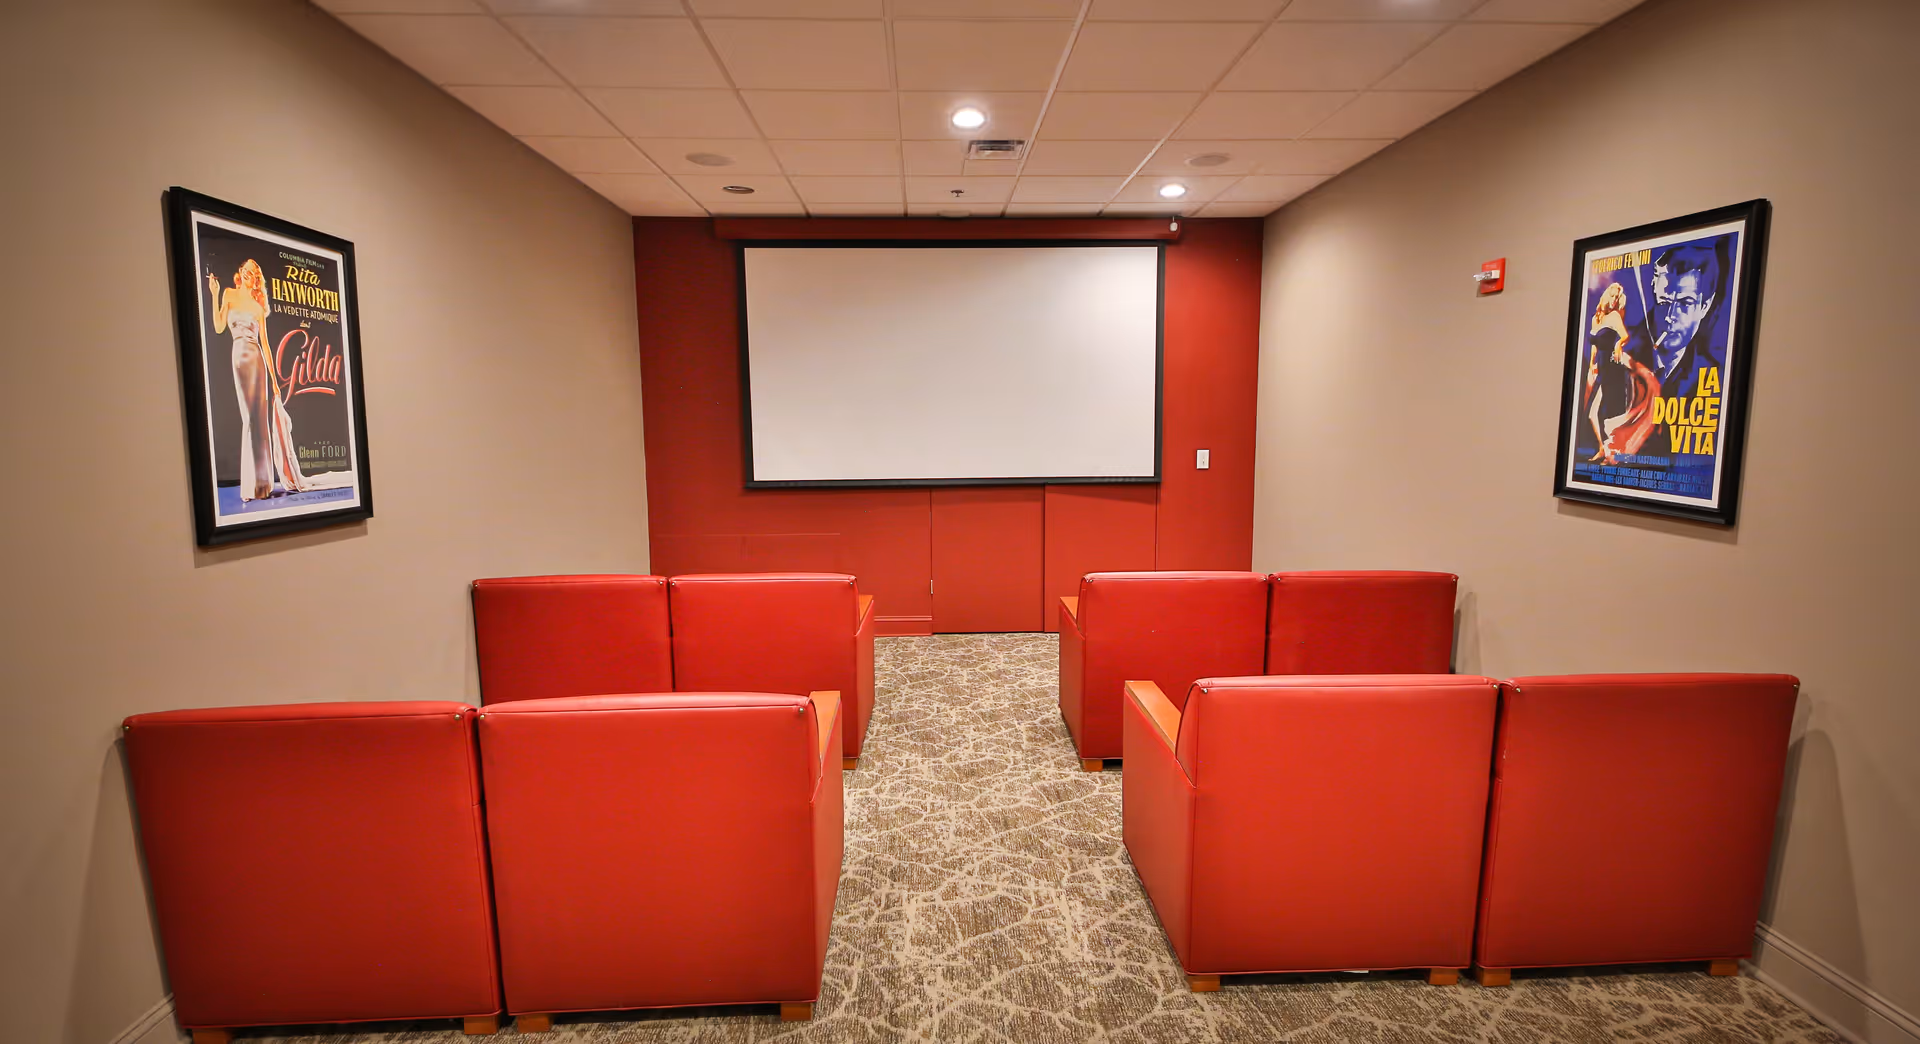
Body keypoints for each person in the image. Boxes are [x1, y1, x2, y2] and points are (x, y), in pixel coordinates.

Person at [207, 259, 346, 500]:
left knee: (259, 420)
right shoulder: (228, 294)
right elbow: (219, 327)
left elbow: (266, 345)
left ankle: (262, 485)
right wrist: (214, 294)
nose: (249, 276)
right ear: (240, 272)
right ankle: (253, 484)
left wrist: (273, 379)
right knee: (248, 418)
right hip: (238, 357)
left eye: (253, 274)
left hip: (257, 360)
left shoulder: (258, 308)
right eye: (246, 271)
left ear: (256, 280)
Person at [1581, 281, 1661, 464]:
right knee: (1592, 413)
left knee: (1608, 412)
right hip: (1601, 366)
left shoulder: (1615, 316)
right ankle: (1602, 448)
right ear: (1606, 295)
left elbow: (1625, 335)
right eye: (1612, 295)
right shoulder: (1596, 318)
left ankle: (1611, 453)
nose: (1614, 300)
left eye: (1617, 297)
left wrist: (1618, 344)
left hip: (1612, 367)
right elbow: (1594, 345)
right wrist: (1591, 364)